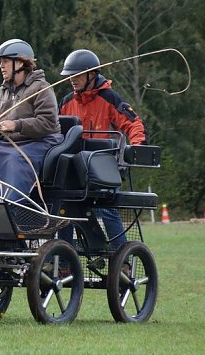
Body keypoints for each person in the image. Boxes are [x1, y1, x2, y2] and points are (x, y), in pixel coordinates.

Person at [58, 48, 147, 247]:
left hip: (103, 170)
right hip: (74, 171)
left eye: (77, 75)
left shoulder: (109, 98)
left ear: (92, 74)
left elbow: (133, 124)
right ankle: (63, 262)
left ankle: (120, 260)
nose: (72, 79)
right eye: (70, 75)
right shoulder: (66, 103)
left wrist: (137, 146)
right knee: (62, 209)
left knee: (106, 210)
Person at [0, 39, 62, 201]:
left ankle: (12, 203)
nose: (1, 65)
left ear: (21, 63)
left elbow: (47, 123)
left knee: (14, 157)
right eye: (0, 62)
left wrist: (17, 125)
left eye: (6, 61)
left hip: (38, 142)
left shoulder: (42, 89)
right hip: (6, 144)